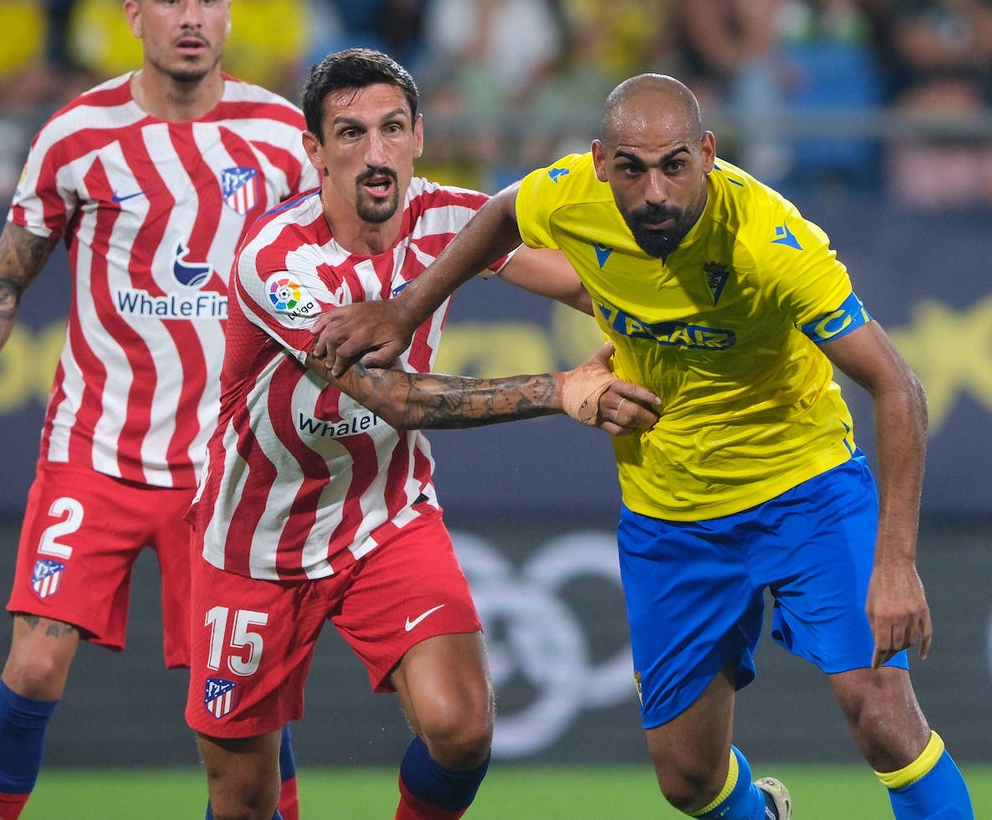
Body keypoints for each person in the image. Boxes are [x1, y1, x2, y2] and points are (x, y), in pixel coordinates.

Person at [310, 72, 978, 820]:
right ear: (600, 162)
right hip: (671, 515)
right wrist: (405, 311)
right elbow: (501, 213)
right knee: (687, 779)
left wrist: (894, 562)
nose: (654, 191)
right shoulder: (571, 196)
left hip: (805, 491)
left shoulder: (773, 239)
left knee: (883, 716)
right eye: (631, 168)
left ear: (708, 154)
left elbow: (899, 388)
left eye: (674, 165)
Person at [0, 0, 318, 820]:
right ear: (133, 16)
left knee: (235, 698)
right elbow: (4, 280)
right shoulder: (78, 136)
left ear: (231, 13)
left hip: (225, 470)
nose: (191, 16)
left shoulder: (280, 137)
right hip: (97, 449)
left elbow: (331, 272)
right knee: (36, 661)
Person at [184, 47, 661, 820]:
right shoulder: (276, 259)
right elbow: (391, 397)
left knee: (462, 725)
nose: (375, 154)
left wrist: (685, 328)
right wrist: (559, 389)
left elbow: (583, 283)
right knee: (242, 800)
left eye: (391, 129)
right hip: (255, 541)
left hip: (384, 516)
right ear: (314, 151)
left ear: (419, 137)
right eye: (349, 134)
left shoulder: (449, 218)